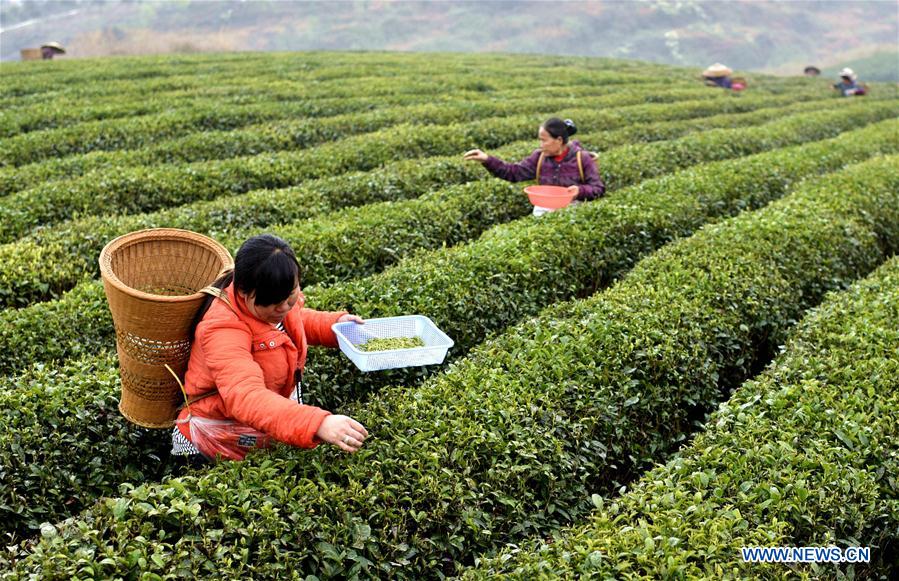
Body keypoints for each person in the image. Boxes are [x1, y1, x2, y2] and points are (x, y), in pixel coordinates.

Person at [171, 234, 369, 463]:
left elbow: (293, 321)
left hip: (253, 427)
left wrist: (336, 326)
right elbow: (245, 395)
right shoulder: (222, 328)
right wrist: (317, 422)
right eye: (275, 303)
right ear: (244, 293)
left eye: (291, 295)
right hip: (211, 440)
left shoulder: (276, 299)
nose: (285, 306)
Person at [463, 117, 605, 217]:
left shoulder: (582, 158)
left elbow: (598, 188)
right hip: (543, 212)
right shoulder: (539, 157)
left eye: (544, 140)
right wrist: (487, 159)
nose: (541, 145)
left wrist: (579, 191)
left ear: (559, 140)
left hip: (573, 215)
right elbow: (514, 172)